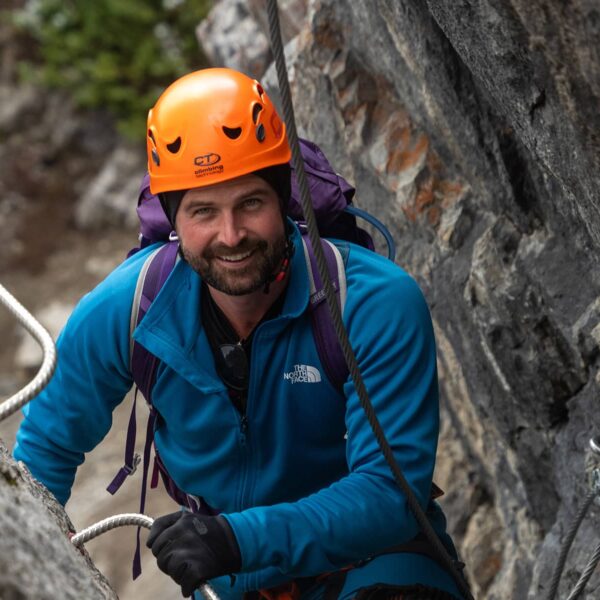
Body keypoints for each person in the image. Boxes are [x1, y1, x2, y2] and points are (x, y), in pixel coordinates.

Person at [13, 68, 465, 600]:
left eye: (250, 203)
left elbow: (391, 495)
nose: (231, 236)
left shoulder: (370, 303)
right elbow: (44, 451)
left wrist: (236, 538)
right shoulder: (131, 308)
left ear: (283, 201)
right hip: (234, 581)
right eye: (204, 211)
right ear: (175, 219)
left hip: (378, 564)